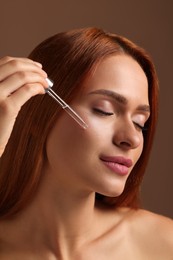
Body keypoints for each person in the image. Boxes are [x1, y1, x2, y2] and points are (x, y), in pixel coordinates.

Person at [0, 27, 172, 259]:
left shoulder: (163, 243)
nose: (131, 139)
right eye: (105, 111)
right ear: (37, 116)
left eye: (140, 122)